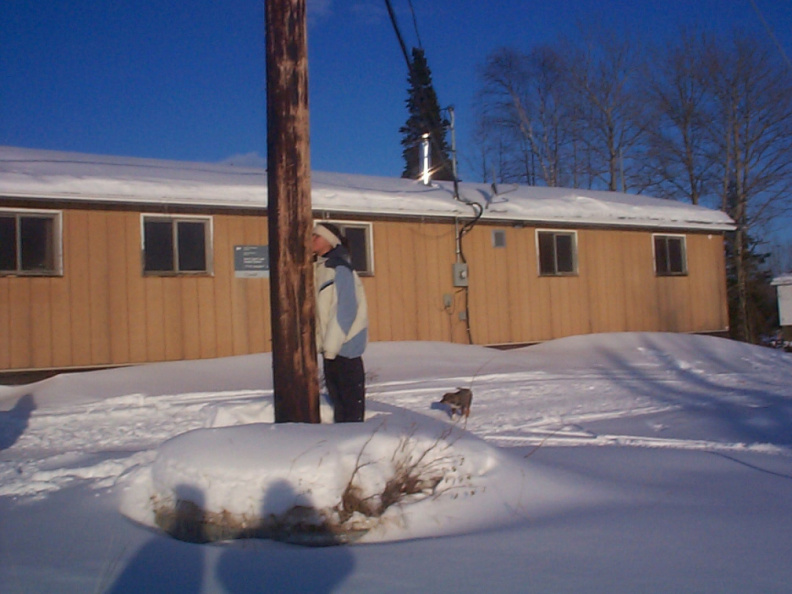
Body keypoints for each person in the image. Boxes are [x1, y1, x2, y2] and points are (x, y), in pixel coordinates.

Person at [312, 223, 368, 422]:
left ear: (329, 241)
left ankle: (353, 447)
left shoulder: (340, 269)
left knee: (350, 409)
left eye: (316, 236)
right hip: (332, 350)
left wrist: (331, 348)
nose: (312, 240)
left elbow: (345, 311)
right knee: (339, 405)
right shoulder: (320, 268)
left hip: (345, 348)